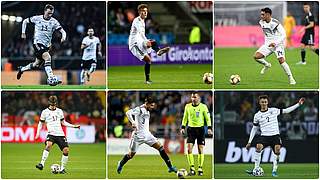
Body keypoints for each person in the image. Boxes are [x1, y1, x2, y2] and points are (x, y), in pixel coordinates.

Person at [245, 95, 305, 177]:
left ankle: (274, 171)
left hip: (275, 135)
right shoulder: (257, 115)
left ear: (267, 102)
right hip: (264, 136)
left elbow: (286, 111)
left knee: (277, 151)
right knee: (258, 147)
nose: (264, 103)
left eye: (265, 102)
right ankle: (256, 168)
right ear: (259, 103)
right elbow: (254, 128)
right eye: (262, 102)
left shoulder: (273, 110)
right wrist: (249, 142)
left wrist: (298, 104)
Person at [116, 96, 177, 174]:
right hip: (138, 137)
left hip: (148, 135)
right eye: (151, 105)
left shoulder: (147, 110)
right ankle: (121, 163)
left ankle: (170, 167)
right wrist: (133, 122)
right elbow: (128, 113)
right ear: (147, 104)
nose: (153, 107)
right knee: (131, 155)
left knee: (161, 148)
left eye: (153, 105)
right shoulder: (140, 109)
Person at [17, 4, 66, 85]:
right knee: (48, 57)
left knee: (36, 65)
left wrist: (63, 37)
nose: (50, 15)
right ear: (45, 11)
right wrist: (23, 32)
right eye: (49, 13)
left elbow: (63, 31)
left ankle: (22, 69)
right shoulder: (37, 18)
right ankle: (51, 78)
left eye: (51, 13)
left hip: (46, 46)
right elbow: (25, 21)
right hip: (37, 43)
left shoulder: (54, 21)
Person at [35, 95, 80, 174]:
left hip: (60, 134)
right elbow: (40, 123)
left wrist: (74, 126)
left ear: (56, 103)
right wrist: (37, 133)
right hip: (51, 134)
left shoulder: (59, 111)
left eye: (54, 104)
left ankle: (62, 169)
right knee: (48, 145)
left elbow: (63, 122)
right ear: (49, 103)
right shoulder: (45, 112)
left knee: (66, 150)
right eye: (52, 104)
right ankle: (41, 164)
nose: (53, 106)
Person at [128, 4, 170, 84]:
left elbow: (142, 35)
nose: (145, 13)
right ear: (139, 12)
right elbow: (140, 33)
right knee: (150, 46)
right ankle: (157, 51)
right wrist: (146, 41)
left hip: (140, 41)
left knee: (150, 56)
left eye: (146, 11)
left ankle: (158, 51)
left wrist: (146, 41)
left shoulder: (143, 21)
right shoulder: (137, 20)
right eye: (143, 11)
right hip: (134, 44)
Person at [253, 7, 296, 85]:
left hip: (278, 45)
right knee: (256, 56)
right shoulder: (261, 22)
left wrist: (275, 43)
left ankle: (291, 78)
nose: (261, 16)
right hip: (268, 45)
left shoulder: (275, 23)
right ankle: (267, 65)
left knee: (281, 60)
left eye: (263, 14)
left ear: (268, 14)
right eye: (261, 14)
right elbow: (267, 34)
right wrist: (268, 43)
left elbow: (283, 35)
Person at [180, 92, 212, 176]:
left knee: (200, 149)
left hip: (200, 129)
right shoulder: (187, 106)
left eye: (195, 97)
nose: (193, 99)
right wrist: (183, 127)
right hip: (191, 129)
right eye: (192, 97)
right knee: (189, 148)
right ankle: (192, 168)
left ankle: (200, 168)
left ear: (199, 98)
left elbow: (207, 118)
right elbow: (185, 117)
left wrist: (209, 128)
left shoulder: (203, 107)